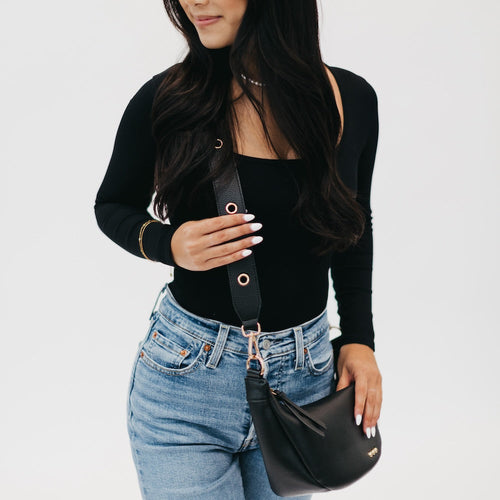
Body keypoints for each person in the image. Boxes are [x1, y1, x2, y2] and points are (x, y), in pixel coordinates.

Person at [94, 0, 382, 498]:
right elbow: (112, 204)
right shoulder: (170, 97)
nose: (193, 2)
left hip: (308, 380)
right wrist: (167, 243)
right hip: (187, 382)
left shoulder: (351, 98)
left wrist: (360, 339)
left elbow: (355, 225)